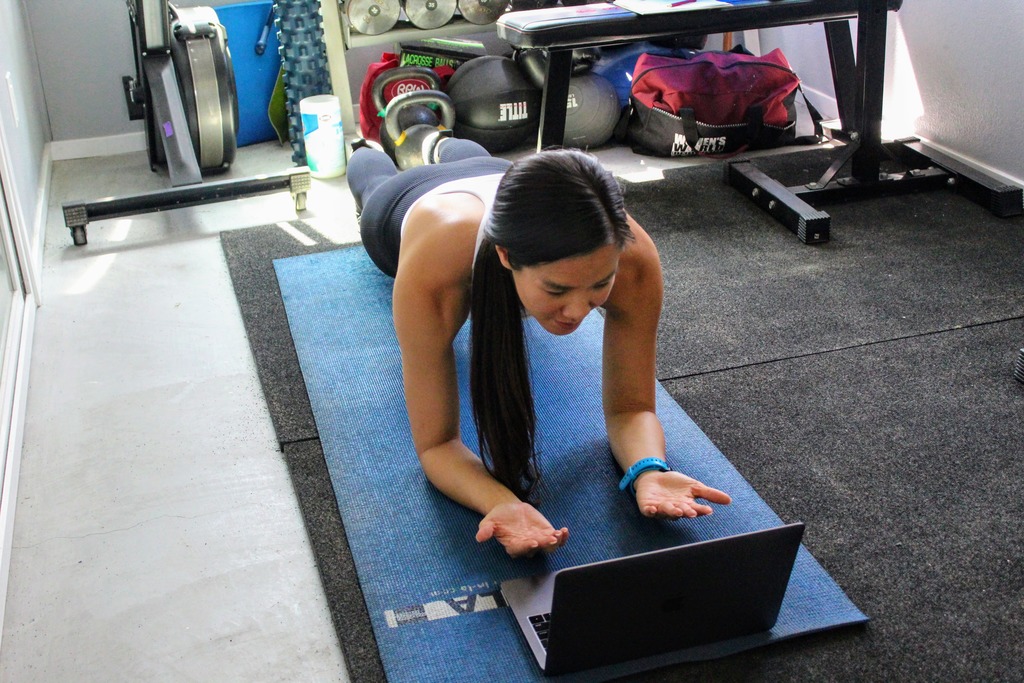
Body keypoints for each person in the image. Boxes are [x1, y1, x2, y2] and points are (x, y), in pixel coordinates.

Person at [348, 139, 731, 558]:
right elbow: (436, 445)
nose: (578, 311)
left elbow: (631, 408)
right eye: (557, 289)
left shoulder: (631, 257)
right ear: (506, 256)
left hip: (496, 172)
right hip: (406, 201)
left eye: (599, 284)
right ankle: (371, 146)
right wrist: (499, 501)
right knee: (374, 180)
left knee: (474, 154)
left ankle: (441, 141)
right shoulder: (437, 269)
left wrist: (649, 470)